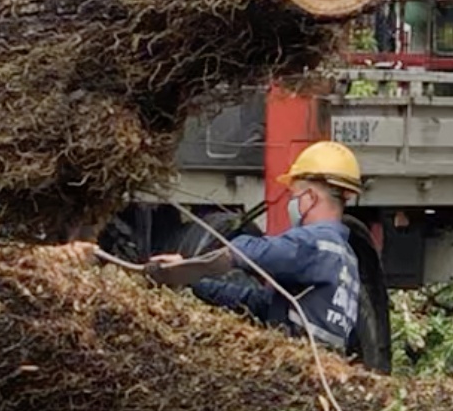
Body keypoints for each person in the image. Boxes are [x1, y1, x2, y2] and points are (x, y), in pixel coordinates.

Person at [144, 142, 366, 354]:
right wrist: (194, 283)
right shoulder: (347, 259)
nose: (292, 204)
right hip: (322, 371)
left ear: (310, 198)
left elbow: (252, 253)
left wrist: (184, 267)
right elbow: (260, 303)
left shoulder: (313, 243)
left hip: (301, 370)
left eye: (294, 196)